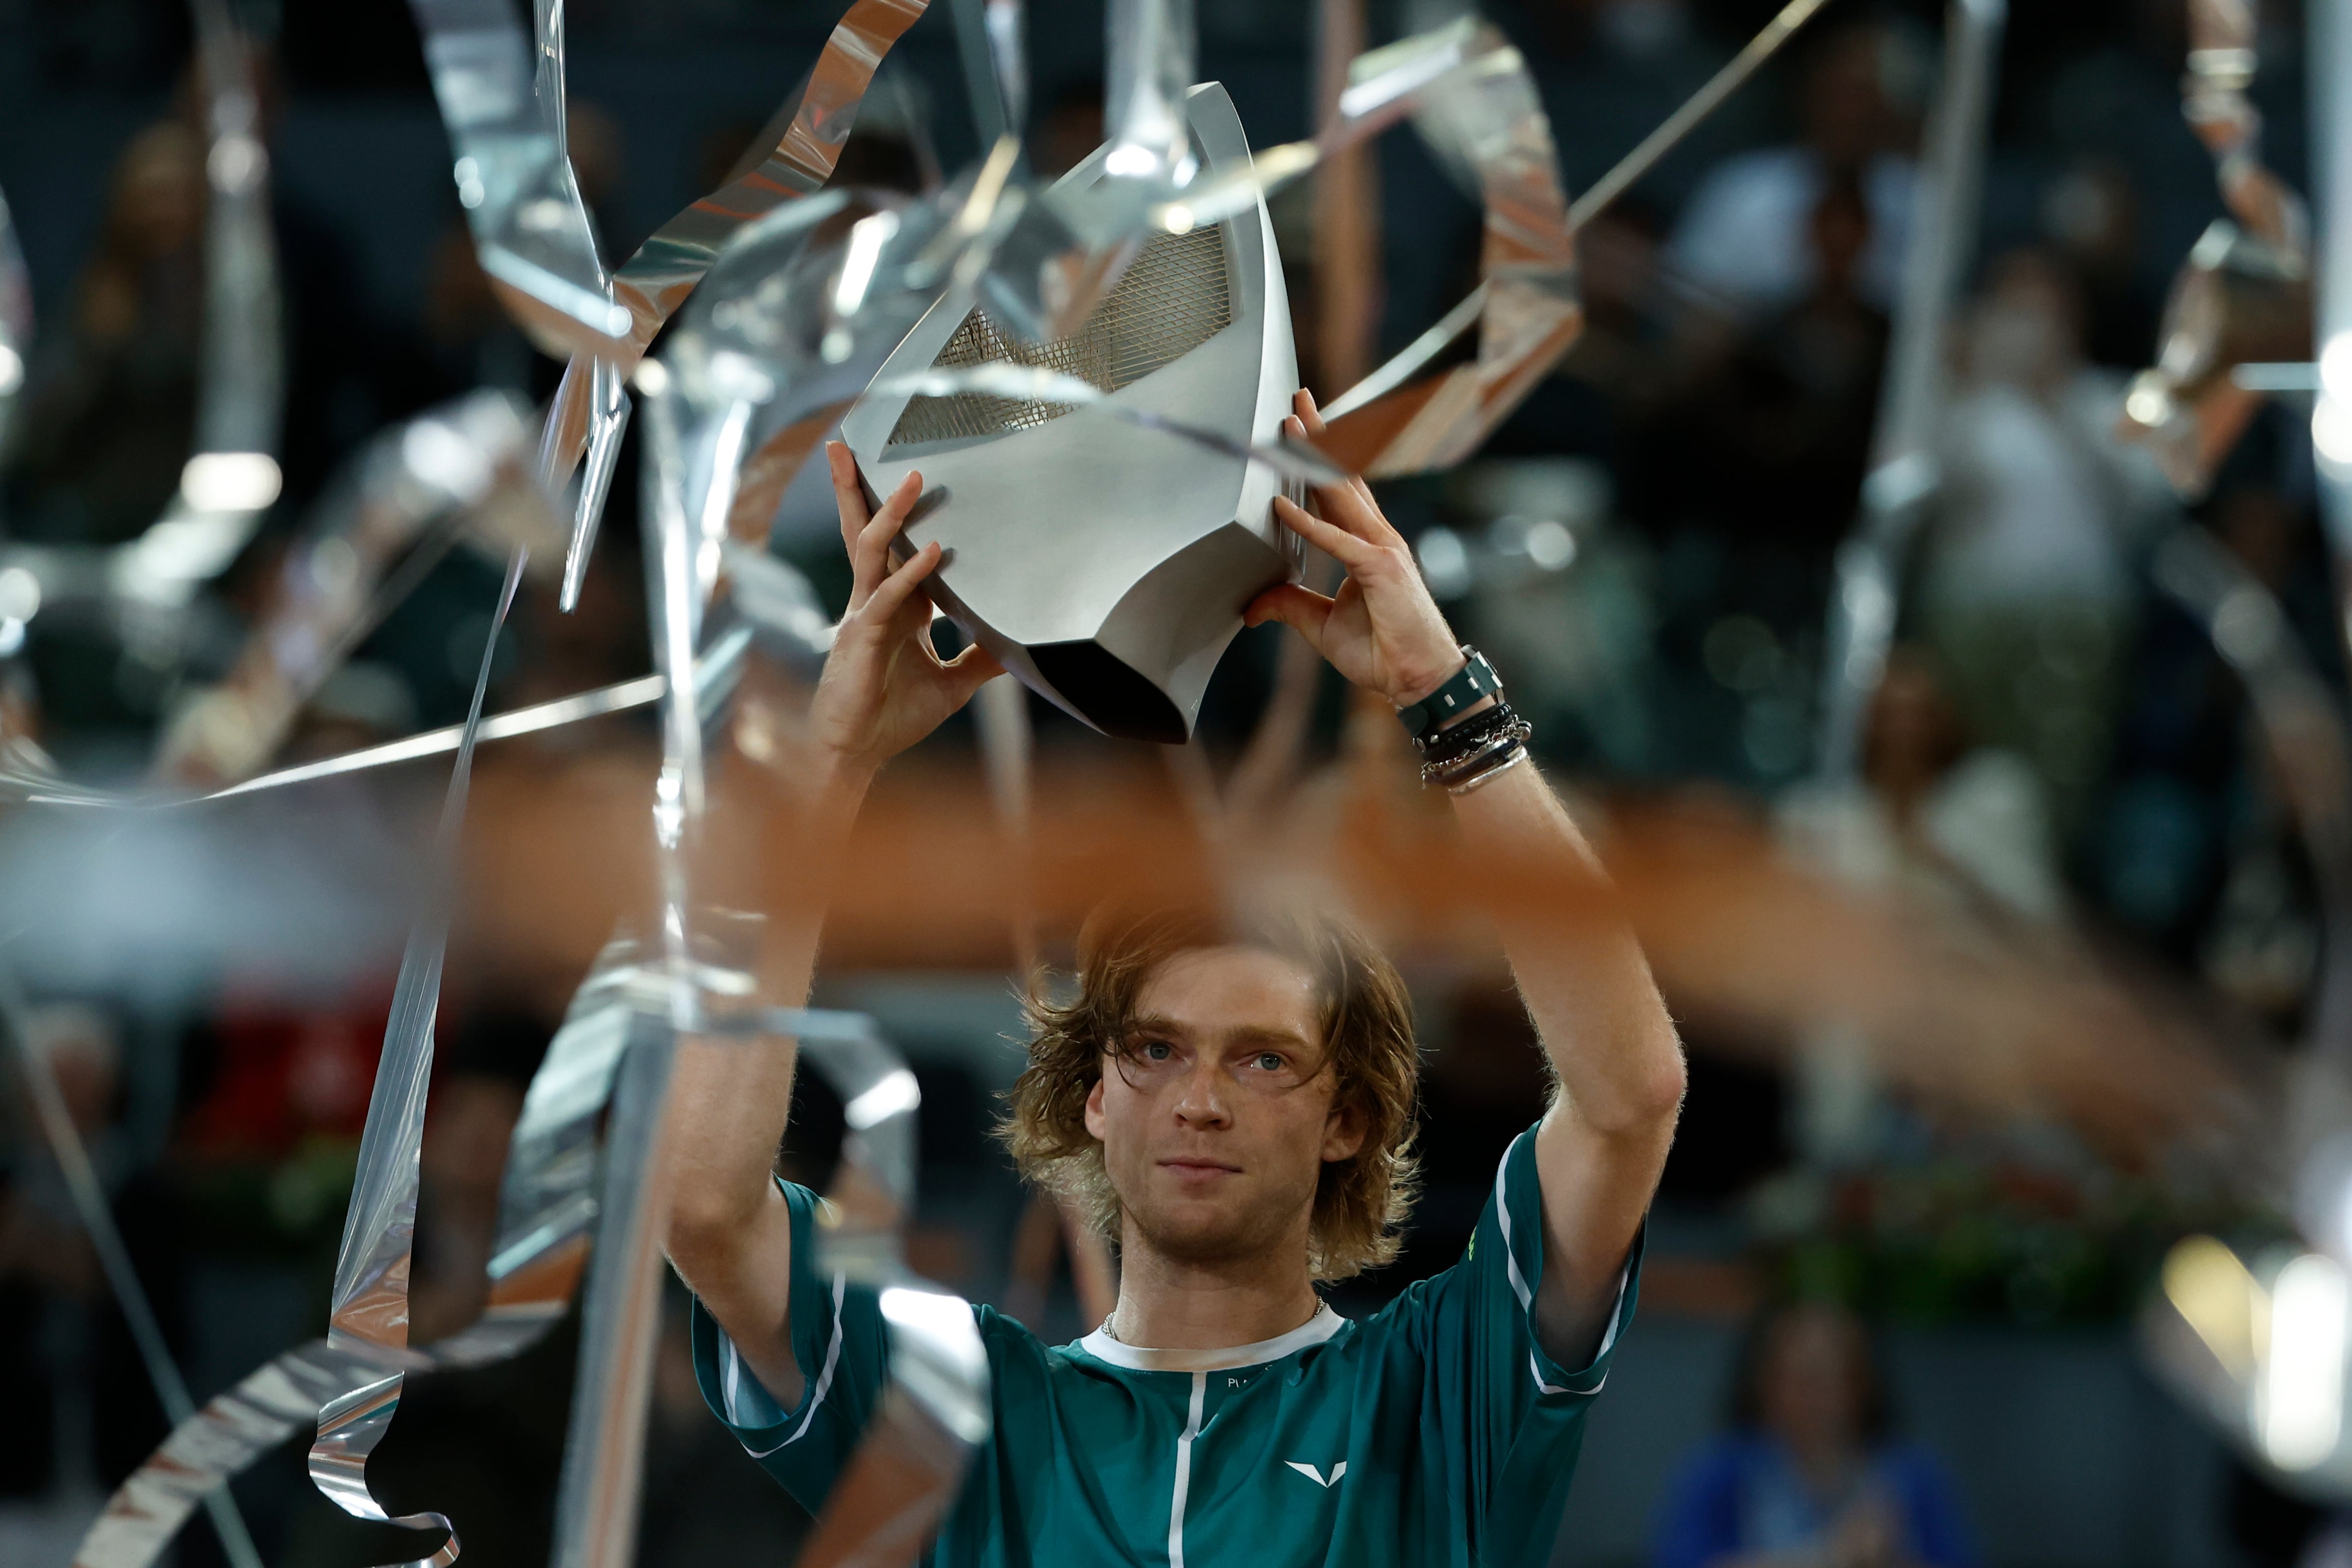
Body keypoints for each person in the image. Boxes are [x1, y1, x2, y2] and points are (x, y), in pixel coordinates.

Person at [663, 389, 1688, 1566]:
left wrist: (1446, 702)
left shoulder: (1437, 1386)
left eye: (1263, 1057)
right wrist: (825, 776)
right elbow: (703, 1207)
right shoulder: (964, 1413)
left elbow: (1630, 1096)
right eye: (1154, 1049)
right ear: (1095, 1095)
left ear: (1348, 1116)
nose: (1200, 1099)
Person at [1652, 1302, 1974, 1568]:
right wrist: (1831, 1555)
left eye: (1831, 1379)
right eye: (1801, 1380)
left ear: (1861, 1387)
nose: (1816, 1399)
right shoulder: (1718, 1474)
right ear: (1765, 1385)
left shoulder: (1911, 1476)